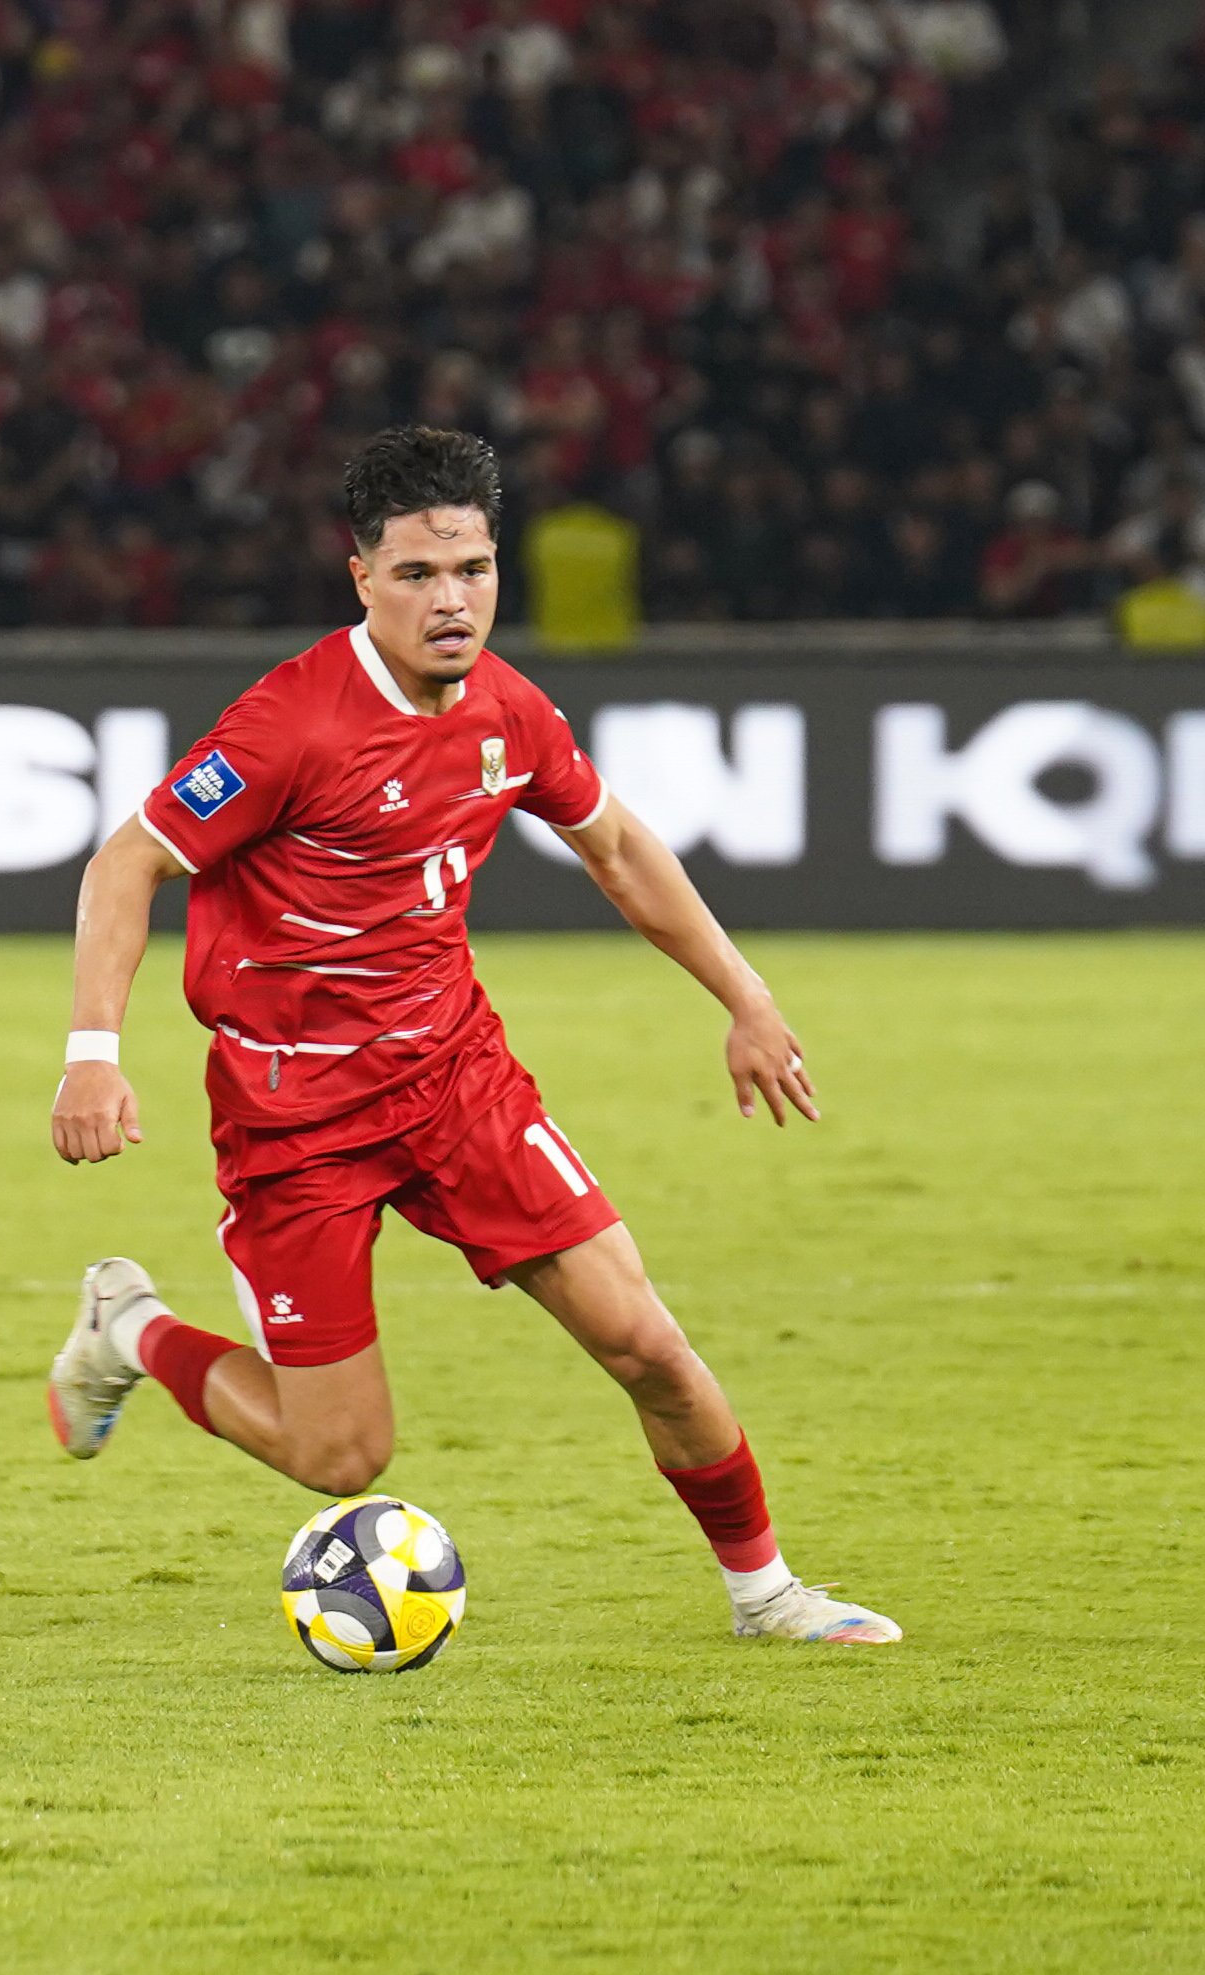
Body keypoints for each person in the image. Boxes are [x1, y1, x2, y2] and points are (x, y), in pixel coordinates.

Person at [44, 427, 898, 1647]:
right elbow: (128, 859)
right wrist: (93, 1051)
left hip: (458, 1081)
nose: (452, 602)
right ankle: (128, 1327)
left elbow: (614, 847)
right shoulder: (289, 724)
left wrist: (745, 996)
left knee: (644, 1340)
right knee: (341, 1454)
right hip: (299, 1116)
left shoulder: (510, 708)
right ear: (361, 578)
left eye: (474, 570)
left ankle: (768, 1595)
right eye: (416, 576)